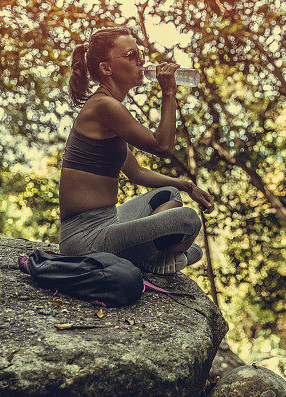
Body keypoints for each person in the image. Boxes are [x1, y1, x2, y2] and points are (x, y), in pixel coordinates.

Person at [57, 26, 214, 274]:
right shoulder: (104, 106)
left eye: (140, 54)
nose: (141, 61)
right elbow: (162, 146)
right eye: (131, 55)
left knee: (171, 193)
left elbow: (137, 173)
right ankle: (152, 257)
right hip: (84, 239)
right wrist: (169, 92)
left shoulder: (110, 111)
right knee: (188, 220)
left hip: (110, 222)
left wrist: (189, 186)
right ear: (106, 68)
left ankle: (150, 255)